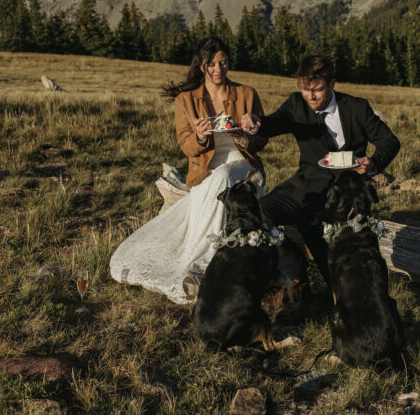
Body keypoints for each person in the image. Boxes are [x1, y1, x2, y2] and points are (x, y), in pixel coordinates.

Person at [109, 37, 267, 304]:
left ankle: (206, 263)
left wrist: (251, 131)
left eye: (224, 62)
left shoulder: (247, 94)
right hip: (205, 173)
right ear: (202, 66)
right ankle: (204, 262)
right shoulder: (186, 100)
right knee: (218, 176)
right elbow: (188, 147)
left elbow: (261, 141)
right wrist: (202, 136)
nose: (219, 69)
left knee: (225, 175)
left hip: (242, 166)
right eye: (212, 64)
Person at [242, 54, 399, 300]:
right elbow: (273, 123)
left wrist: (373, 163)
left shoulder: (357, 107)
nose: (311, 96)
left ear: (332, 84)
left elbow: (390, 141)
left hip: (348, 191)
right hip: (306, 184)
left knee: (308, 219)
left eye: (316, 90)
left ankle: (337, 289)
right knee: (259, 212)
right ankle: (295, 272)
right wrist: (256, 123)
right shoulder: (296, 104)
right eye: (305, 90)